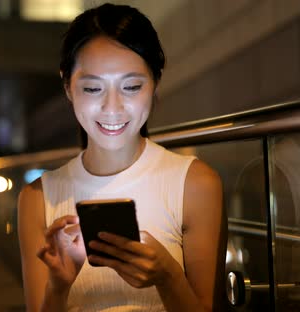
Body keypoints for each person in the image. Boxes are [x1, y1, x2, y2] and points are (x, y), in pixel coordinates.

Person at [17, 3, 226, 311]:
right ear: (67, 86)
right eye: (92, 88)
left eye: (130, 86)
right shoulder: (37, 198)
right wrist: (58, 287)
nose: (112, 107)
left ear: (155, 82)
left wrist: (167, 276)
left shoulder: (195, 184)